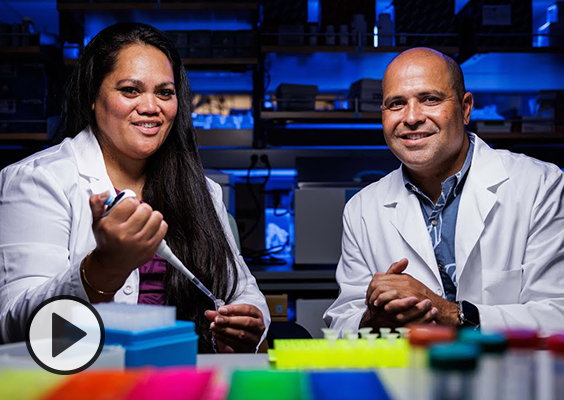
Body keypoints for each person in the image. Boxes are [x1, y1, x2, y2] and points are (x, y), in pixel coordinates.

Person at [0, 22, 270, 353]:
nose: (151, 106)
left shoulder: (202, 190)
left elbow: (242, 289)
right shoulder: (38, 181)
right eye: (130, 90)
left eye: (164, 92)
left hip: (184, 377)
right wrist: (101, 270)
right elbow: (16, 327)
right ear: (92, 99)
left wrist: (249, 325)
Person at [324, 47, 564, 336]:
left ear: (465, 108)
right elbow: (341, 322)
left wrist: (452, 313)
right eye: (396, 104)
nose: (411, 117)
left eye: (430, 99)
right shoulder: (363, 209)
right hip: (408, 378)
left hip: (509, 376)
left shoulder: (540, 185)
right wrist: (372, 322)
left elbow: (557, 314)